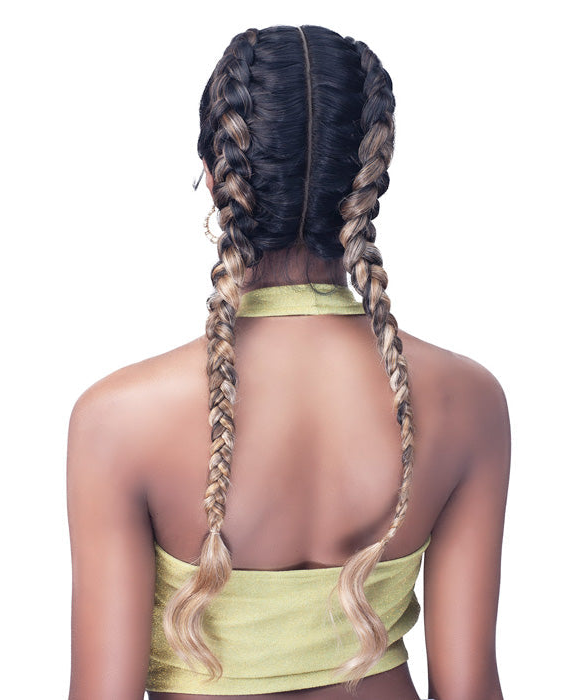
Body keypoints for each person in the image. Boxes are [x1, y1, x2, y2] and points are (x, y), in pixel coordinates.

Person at [67, 24, 511, 700]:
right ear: (369, 182)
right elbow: (470, 685)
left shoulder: (117, 419)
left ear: (215, 180)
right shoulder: (467, 399)